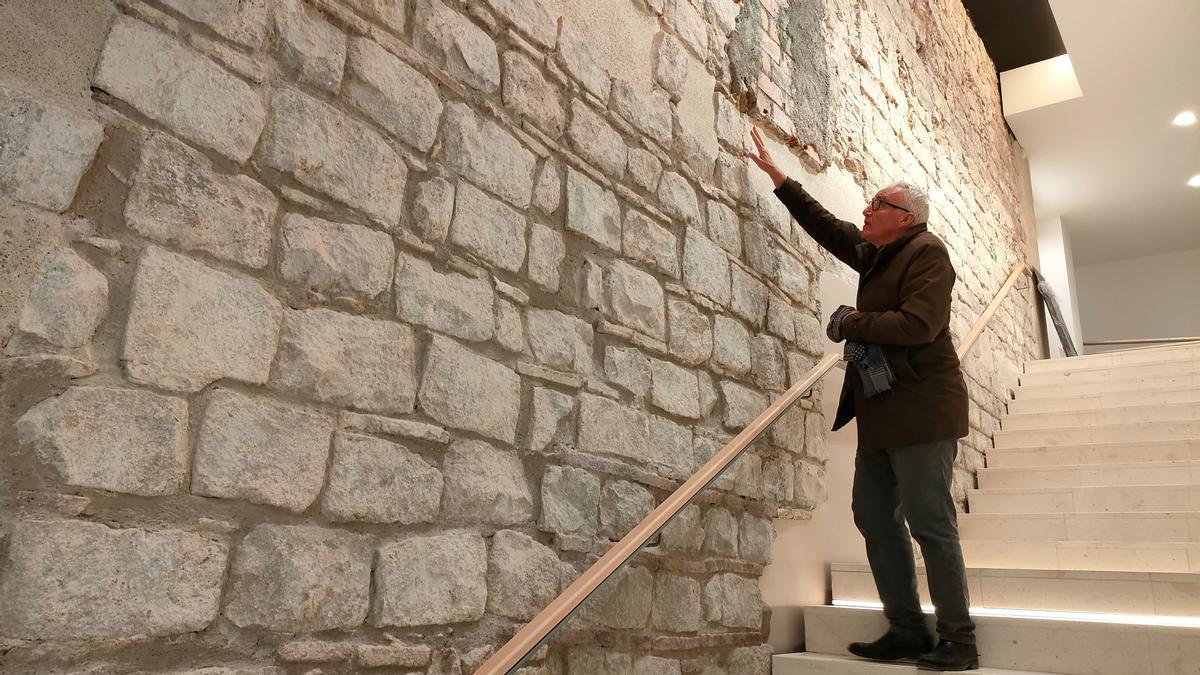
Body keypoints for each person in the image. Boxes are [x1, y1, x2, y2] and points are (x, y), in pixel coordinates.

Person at [748, 128, 978, 671]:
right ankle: (906, 630)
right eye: (871, 202)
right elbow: (832, 230)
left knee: (930, 523)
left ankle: (959, 640)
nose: (869, 209)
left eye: (880, 203)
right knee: (873, 515)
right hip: (881, 412)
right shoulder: (877, 255)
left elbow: (920, 325)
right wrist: (782, 181)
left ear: (908, 217)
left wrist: (851, 322)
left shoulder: (928, 253)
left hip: (923, 410)